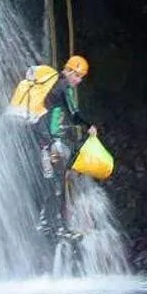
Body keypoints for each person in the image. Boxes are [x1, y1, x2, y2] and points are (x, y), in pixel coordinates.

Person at [34, 54, 97, 240]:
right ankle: (59, 226)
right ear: (68, 70)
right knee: (59, 181)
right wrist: (89, 126)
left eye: (81, 77)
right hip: (51, 141)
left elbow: (53, 115)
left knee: (54, 180)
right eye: (76, 75)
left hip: (43, 140)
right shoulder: (64, 88)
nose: (78, 80)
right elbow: (74, 114)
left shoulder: (53, 86)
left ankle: (46, 222)